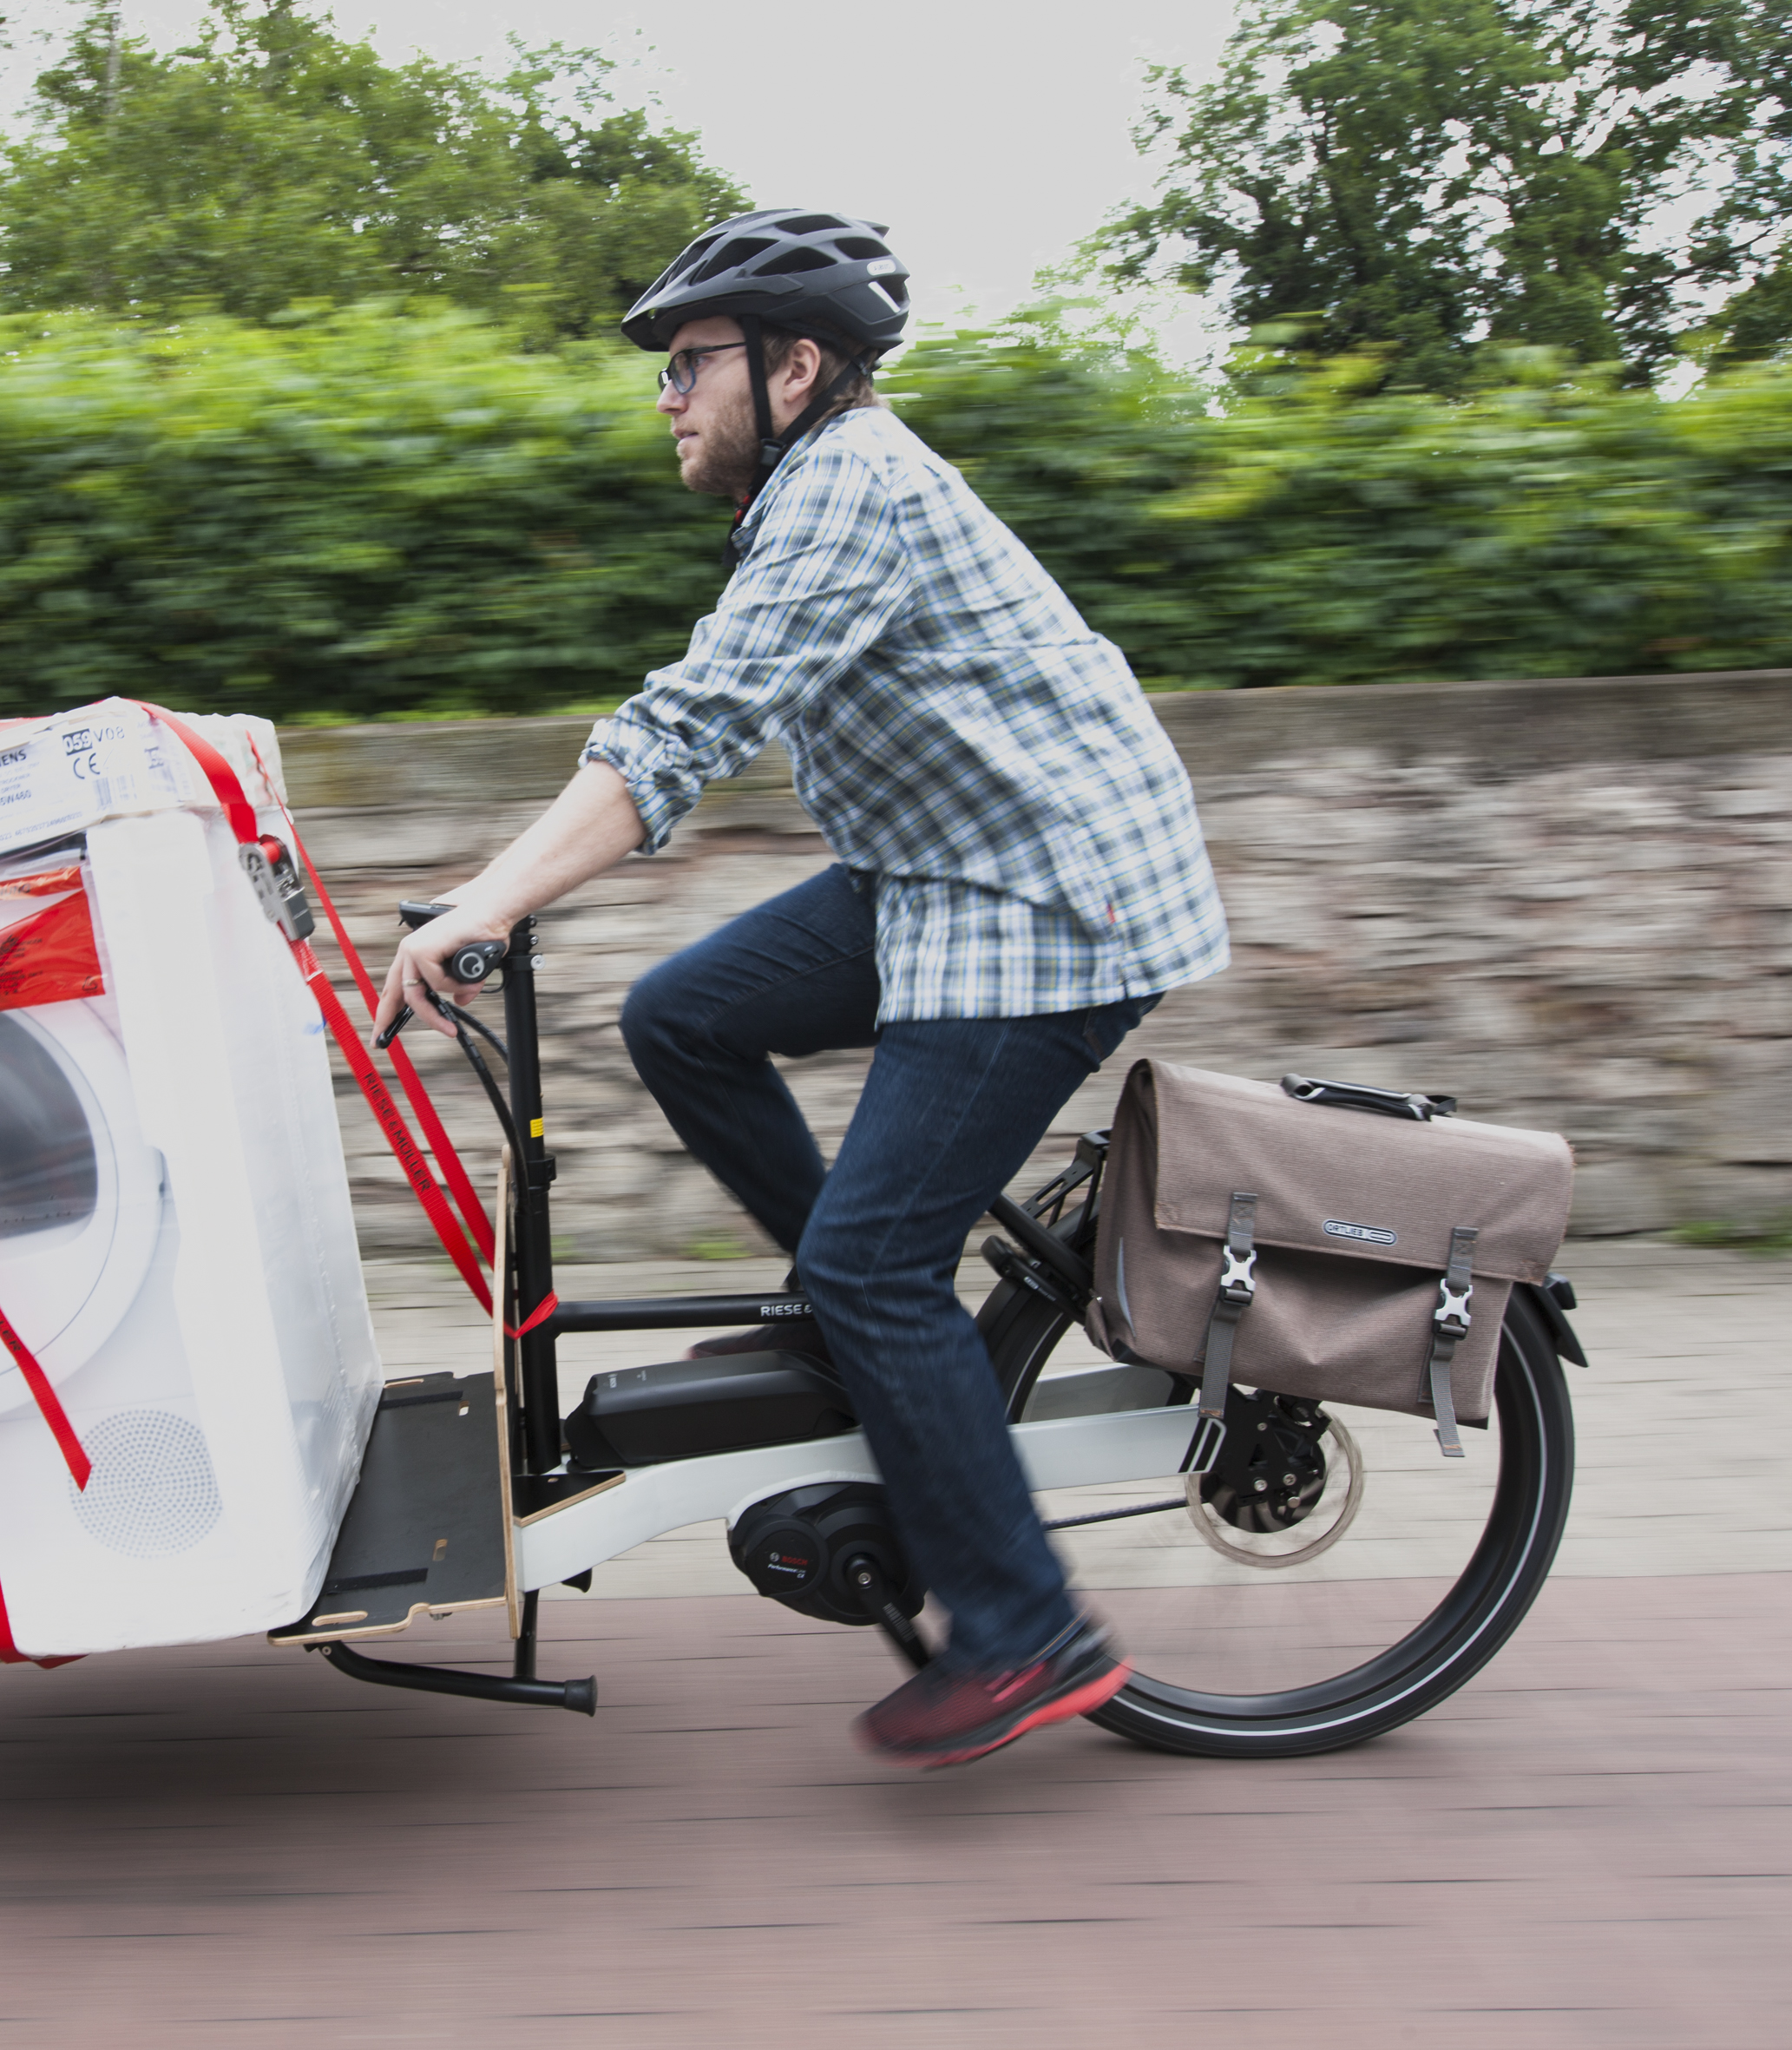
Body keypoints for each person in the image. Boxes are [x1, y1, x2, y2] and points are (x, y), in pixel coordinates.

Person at [375, 208, 1230, 1769]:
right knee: (682, 1014)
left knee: (876, 1260)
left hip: (1044, 899)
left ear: (799, 364)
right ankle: (857, 1335)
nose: (667, 396)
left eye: (690, 363)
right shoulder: (807, 489)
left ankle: (1029, 1627)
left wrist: (493, 901)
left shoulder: (851, 486)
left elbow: (680, 728)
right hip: (943, 867)